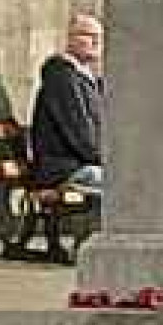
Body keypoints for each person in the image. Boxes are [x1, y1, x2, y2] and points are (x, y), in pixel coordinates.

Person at [30, 12, 104, 197]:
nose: (96, 42)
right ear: (71, 39)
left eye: (99, 37)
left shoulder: (86, 79)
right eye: (89, 36)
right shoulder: (62, 77)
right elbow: (81, 135)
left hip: (82, 166)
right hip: (63, 171)